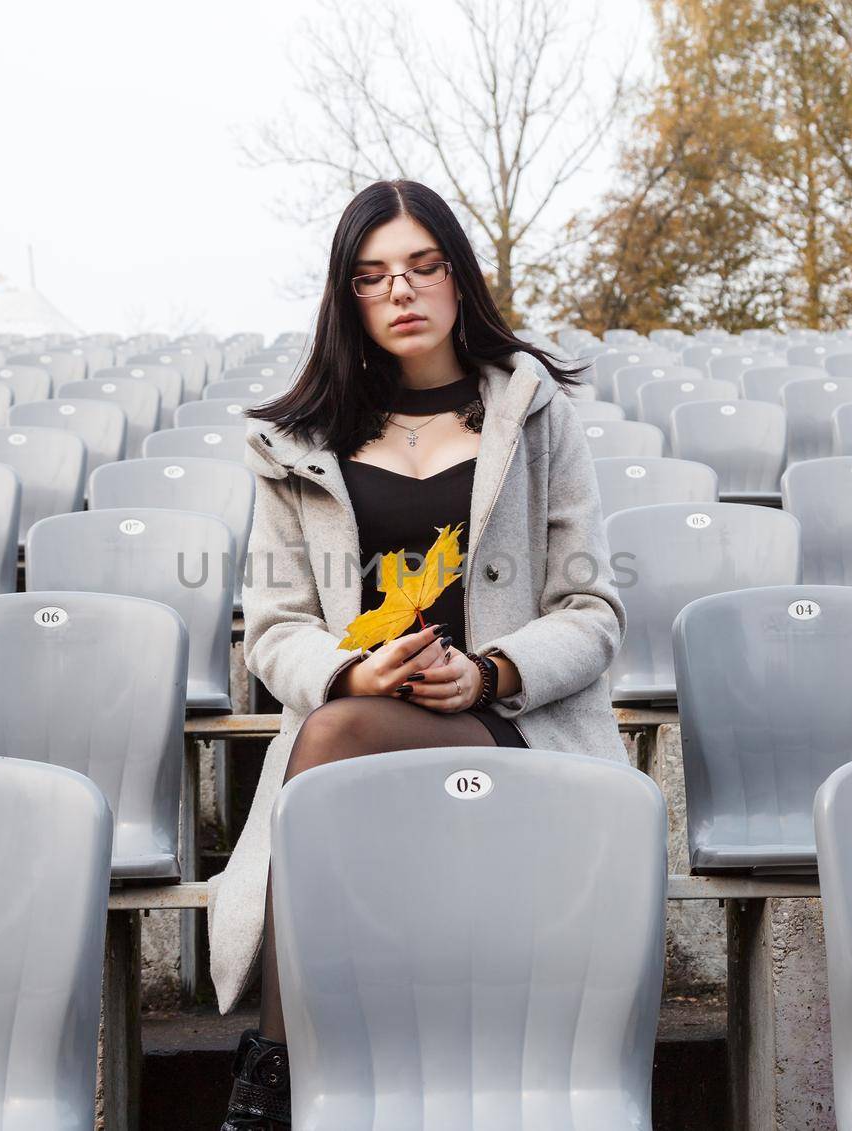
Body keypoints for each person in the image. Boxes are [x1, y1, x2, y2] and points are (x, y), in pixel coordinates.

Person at [211, 179, 628, 1130]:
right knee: (341, 723)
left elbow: (592, 608)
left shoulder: (535, 412)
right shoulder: (295, 443)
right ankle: (286, 1074)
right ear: (347, 296)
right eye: (372, 276)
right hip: (355, 726)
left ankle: (268, 1078)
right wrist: (351, 671)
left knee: (335, 736)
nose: (401, 291)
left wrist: (489, 671)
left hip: (510, 731)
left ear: (456, 276)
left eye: (422, 266)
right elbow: (273, 626)